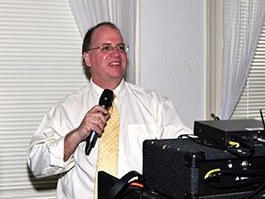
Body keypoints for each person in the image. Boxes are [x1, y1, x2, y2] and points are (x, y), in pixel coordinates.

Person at [27, 22, 192, 199]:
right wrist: (76, 135)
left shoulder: (156, 105)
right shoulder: (65, 110)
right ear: (87, 58)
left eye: (121, 47)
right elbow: (37, 165)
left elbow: (186, 154)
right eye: (106, 48)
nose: (116, 53)